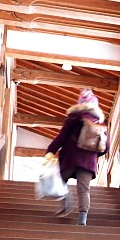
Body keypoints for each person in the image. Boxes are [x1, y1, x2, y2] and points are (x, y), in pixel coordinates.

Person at [45, 88, 109, 226]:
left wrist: (51, 150)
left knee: (60, 181)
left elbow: (61, 137)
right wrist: (93, 153)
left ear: (80, 103)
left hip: (70, 158)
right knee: (84, 189)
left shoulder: (74, 118)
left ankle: (66, 202)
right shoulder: (99, 123)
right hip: (88, 162)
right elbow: (106, 147)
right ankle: (82, 219)